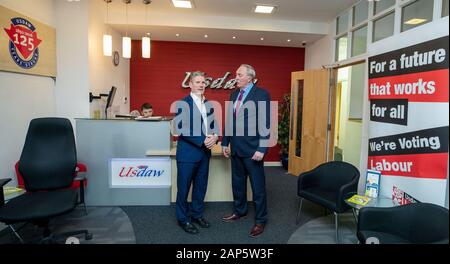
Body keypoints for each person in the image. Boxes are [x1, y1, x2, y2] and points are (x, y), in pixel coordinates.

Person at [221, 64, 271, 238]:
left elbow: (266, 123)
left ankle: (261, 220)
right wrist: (225, 143)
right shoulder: (234, 94)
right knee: (238, 184)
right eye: (236, 73)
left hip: (253, 151)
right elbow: (229, 121)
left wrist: (262, 148)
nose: (236, 77)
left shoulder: (262, 94)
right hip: (236, 149)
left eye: (239, 74)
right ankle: (240, 211)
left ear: (249, 77)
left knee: (258, 188)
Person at [174, 71, 218, 234]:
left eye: (203, 82)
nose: (201, 85)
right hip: (187, 154)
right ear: (190, 84)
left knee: (200, 187)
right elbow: (182, 128)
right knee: (184, 189)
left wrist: (214, 137)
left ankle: (196, 215)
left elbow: (213, 126)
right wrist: (203, 140)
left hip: (204, 154)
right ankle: (183, 219)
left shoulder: (209, 105)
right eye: (197, 82)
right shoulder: (181, 103)